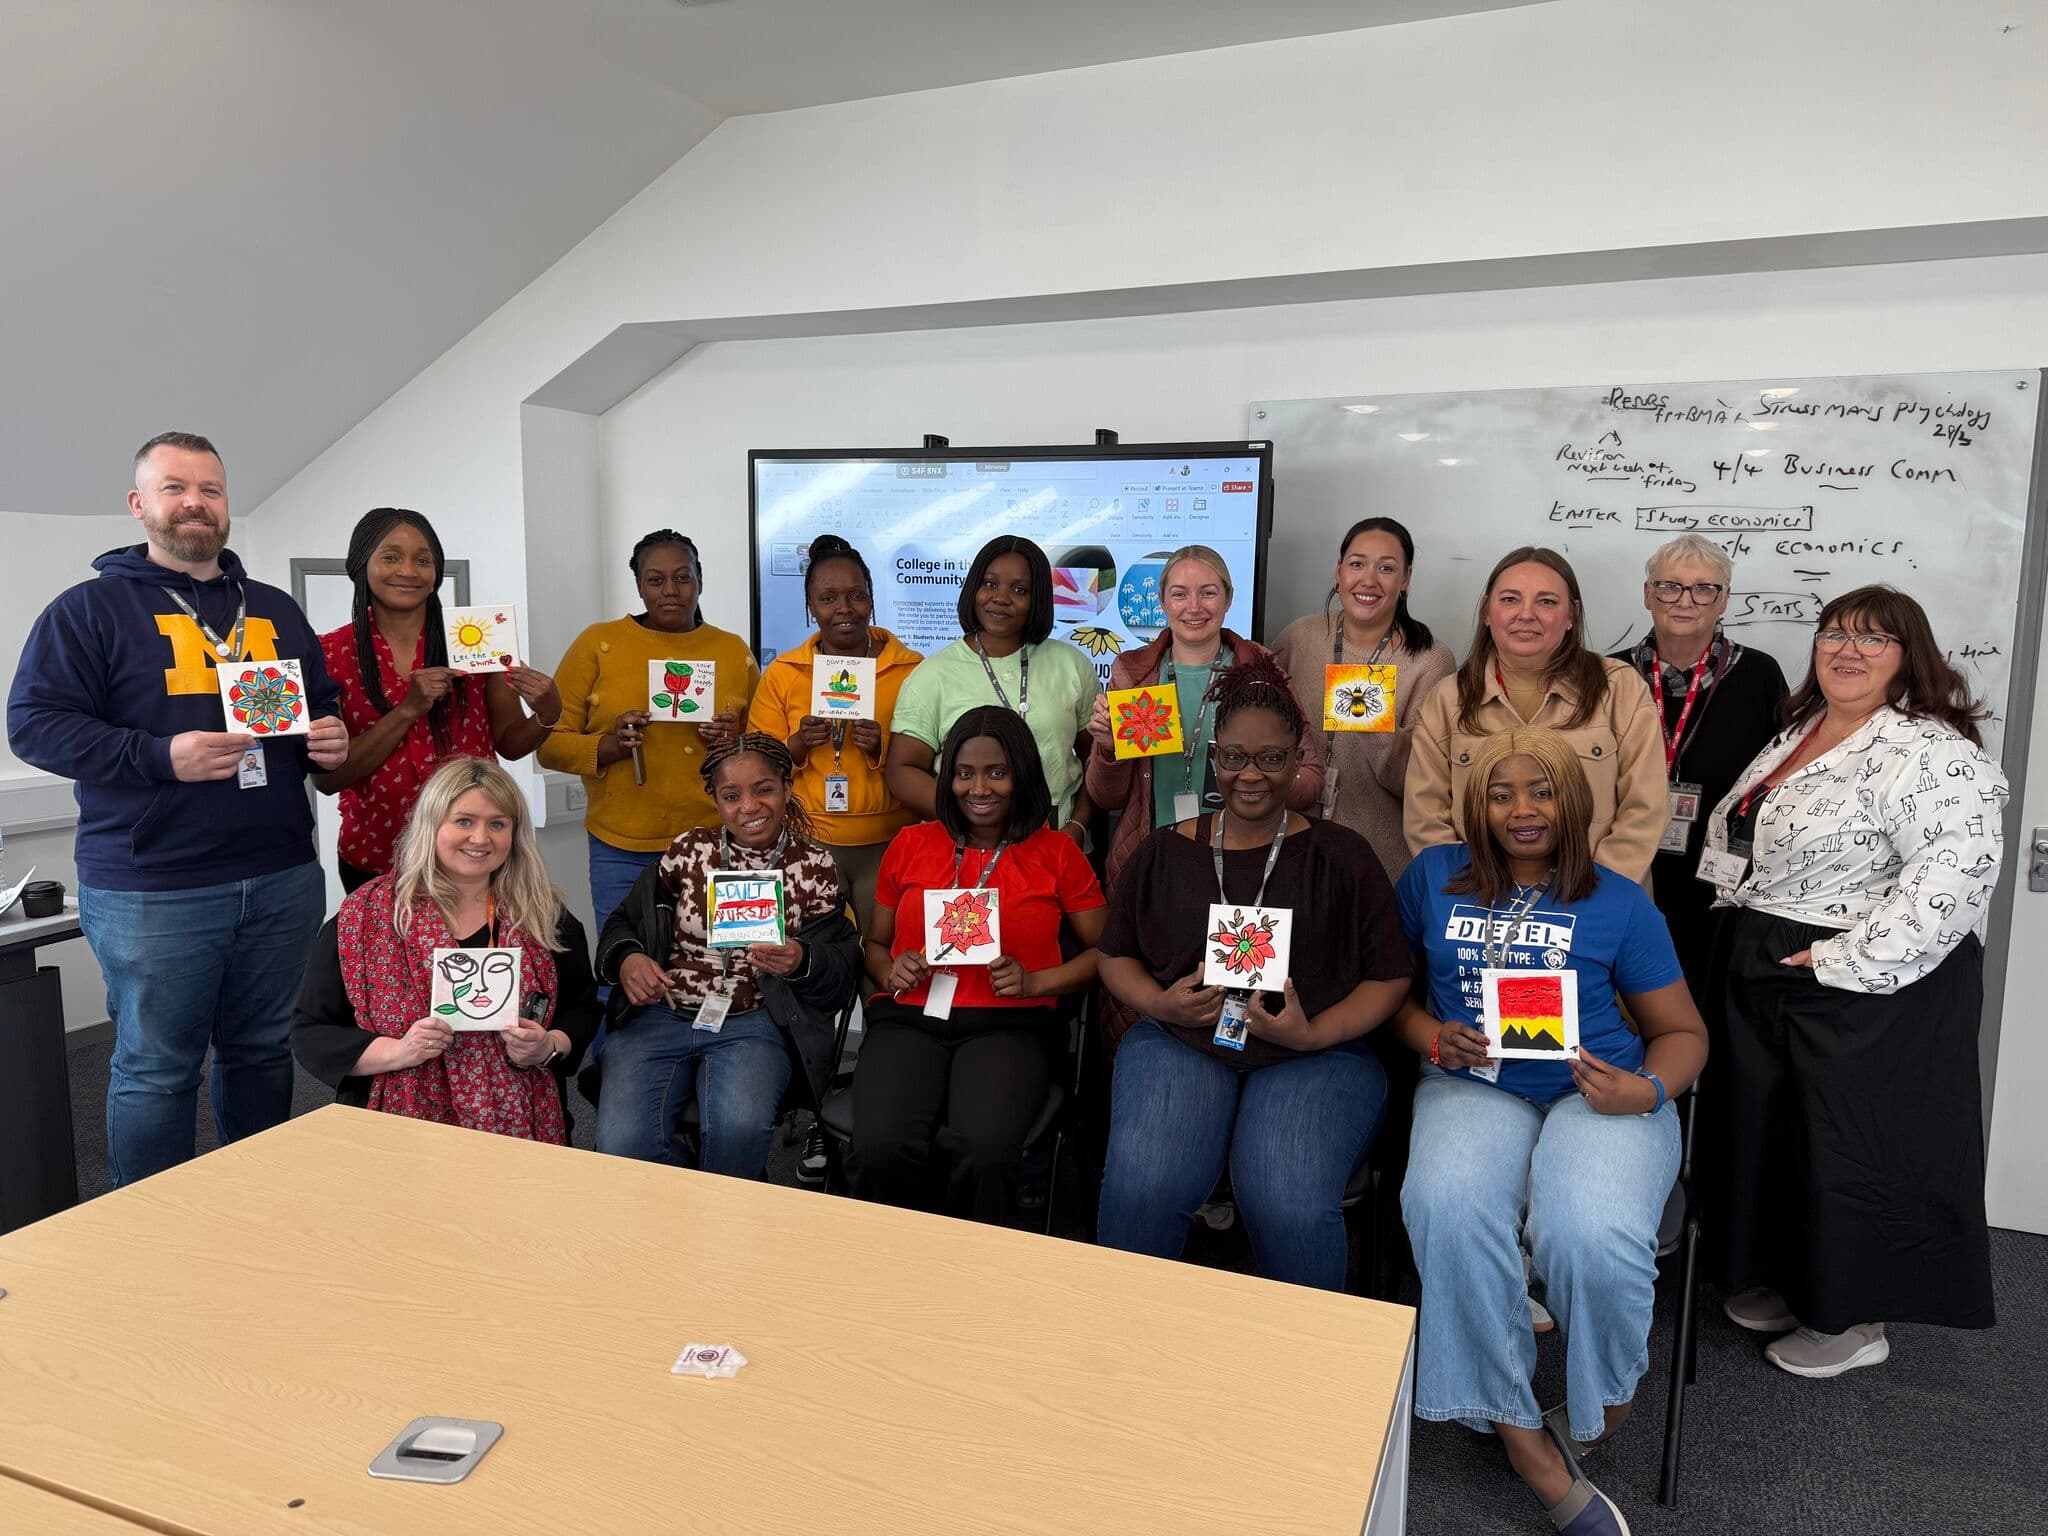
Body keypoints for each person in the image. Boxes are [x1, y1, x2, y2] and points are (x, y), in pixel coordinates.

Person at [7, 431, 349, 1186]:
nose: (196, 502)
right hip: (153, 887)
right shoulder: (87, 611)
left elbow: (318, 708)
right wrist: (160, 756)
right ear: (139, 505)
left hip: (281, 873)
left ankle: (254, 1203)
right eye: (175, 487)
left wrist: (330, 735)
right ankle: (147, 1236)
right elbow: (33, 725)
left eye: (211, 490)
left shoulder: (271, 608)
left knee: (262, 1051)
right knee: (158, 1069)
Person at [1394, 728, 1707, 1536]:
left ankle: (1610, 1399)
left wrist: (1645, 1090)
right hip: (1474, 1084)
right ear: (1476, 806)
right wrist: (1431, 1035)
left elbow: (1683, 1034)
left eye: (1541, 791)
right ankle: (1523, 1438)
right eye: (1500, 795)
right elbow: (1390, 995)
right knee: (1447, 1206)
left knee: (1586, 1233)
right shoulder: (1433, 878)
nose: (1522, 810)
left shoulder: (1619, 901)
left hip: (1596, 1092)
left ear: (1573, 801)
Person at [1701, 585, 2005, 1378]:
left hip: (1867, 982)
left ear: (1909, 656)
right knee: (1782, 1136)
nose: (1848, 650)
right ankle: (1800, 1284)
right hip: (1771, 957)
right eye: (1835, 633)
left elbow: (1955, 875)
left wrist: (1845, 959)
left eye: (1873, 639)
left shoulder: (1931, 750)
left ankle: (1855, 1320)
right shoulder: (1801, 728)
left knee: (1852, 1151)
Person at [1094, 655, 1410, 1291]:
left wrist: (1315, 1035)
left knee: (1286, 1202)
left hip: (1318, 1053)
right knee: (1144, 1190)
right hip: (1182, 1038)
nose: (1251, 775)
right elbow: (1114, 955)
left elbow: (1390, 976)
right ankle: (1122, 1333)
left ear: (1297, 763)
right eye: (1235, 757)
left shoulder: (1342, 855)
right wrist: (1160, 1005)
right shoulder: (1164, 851)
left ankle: (1306, 1349)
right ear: (1215, 759)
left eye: (1271, 759)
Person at [851, 706, 1107, 1225]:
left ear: (1022, 775)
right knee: (880, 1145)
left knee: (984, 1149)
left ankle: (970, 1262)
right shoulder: (911, 843)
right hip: (910, 1018)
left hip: (1010, 1025)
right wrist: (889, 969)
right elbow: (873, 944)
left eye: (997, 772)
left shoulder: (1057, 852)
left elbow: (1108, 953)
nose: (979, 788)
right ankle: (889, 1257)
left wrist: (1036, 981)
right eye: (965, 773)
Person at [592, 733, 861, 1179]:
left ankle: (726, 1198)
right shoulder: (688, 851)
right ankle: (710, 1194)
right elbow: (624, 922)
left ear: (787, 788)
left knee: (738, 1131)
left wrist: (802, 959)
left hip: (755, 1020)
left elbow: (841, 973)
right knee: (621, 1145)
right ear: (715, 800)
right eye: (731, 796)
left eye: (764, 789)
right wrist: (628, 959)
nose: (749, 807)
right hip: (664, 1011)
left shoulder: (815, 867)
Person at [1083, 544, 1322, 1047]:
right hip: (1155, 858)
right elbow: (1108, 798)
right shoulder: (1133, 672)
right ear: (1162, 602)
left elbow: (1310, 779)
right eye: (1179, 593)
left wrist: (1271, 777)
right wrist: (1106, 749)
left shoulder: (1263, 671)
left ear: (1229, 599)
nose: (1194, 606)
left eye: (1208, 592)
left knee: (1233, 1002)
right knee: (1148, 1005)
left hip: (1243, 862)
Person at [290, 758, 597, 1141]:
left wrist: (548, 1046)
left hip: (524, 1113)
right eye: (464, 821)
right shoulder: (363, 919)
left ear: (514, 834)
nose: (480, 838)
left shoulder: (543, 916)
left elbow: (581, 1006)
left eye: (497, 824)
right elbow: (311, 1031)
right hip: (394, 1121)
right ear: (431, 825)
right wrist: (399, 1052)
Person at [539, 529, 757, 976]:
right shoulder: (598, 643)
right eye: (655, 580)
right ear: (639, 586)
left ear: (700, 580)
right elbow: (549, 744)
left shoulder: (732, 650)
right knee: (624, 968)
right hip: (622, 844)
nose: (670, 590)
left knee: (726, 966)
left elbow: (764, 746)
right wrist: (610, 745)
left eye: (683, 577)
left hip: (719, 842)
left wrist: (733, 740)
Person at [315, 508, 564, 891]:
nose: (408, 571)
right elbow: (328, 778)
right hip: (377, 856)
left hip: (475, 852)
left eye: (423, 560)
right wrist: (408, 710)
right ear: (360, 564)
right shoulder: (330, 653)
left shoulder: (477, 638)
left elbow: (510, 745)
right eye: (391, 557)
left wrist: (548, 712)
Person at [1406, 546, 1665, 882]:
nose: (1526, 614)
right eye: (1510, 599)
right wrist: (1472, 893)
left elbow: (1645, 809)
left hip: (1599, 898)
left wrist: (1595, 894)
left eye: (1546, 601)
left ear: (1572, 615)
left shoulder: (1620, 689)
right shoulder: (1446, 699)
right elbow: (1425, 819)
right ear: (1486, 612)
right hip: (1481, 902)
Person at [1610, 534, 1787, 995]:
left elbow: (1779, 779)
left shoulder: (1759, 675)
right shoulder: (1611, 676)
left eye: (1704, 588)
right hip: (1626, 868)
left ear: (1724, 599)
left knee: (1708, 1001)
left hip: (1717, 880)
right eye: (1670, 586)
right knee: (1626, 998)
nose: (1685, 601)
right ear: (1648, 594)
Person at [747, 533, 921, 933]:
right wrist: (796, 745)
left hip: (891, 839)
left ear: (872, 599)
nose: (844, 608)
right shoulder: (784, 673)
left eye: (856, 596)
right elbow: (755, 763)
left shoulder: (911, 670)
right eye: (827, 598)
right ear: (810, 606)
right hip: (807, 840)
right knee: (816, 954)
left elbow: (934, 754)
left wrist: (883, 747)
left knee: (883, 952)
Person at [1270, 516, 1456, 881]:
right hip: (1292, 850)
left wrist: (1375, 724)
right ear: (1338, 571)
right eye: (1357, 564)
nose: (1368, 580)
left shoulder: (1431, 659)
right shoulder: (1299, 637)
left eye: (1386, 568)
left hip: (1380, 860)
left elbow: (1425, 784)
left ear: (1406, 579)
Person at [886, 536, 1099, 844]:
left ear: (1038, 599)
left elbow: (1097, 759)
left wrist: (1078, 826)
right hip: (965, 850)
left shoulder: (1072, 664)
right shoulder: (933, 675)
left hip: (1059, 843)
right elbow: (902, 770)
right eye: (990, 584)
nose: (1001, 598)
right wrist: (970, 824)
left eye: (1019, 590)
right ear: (973, 589)